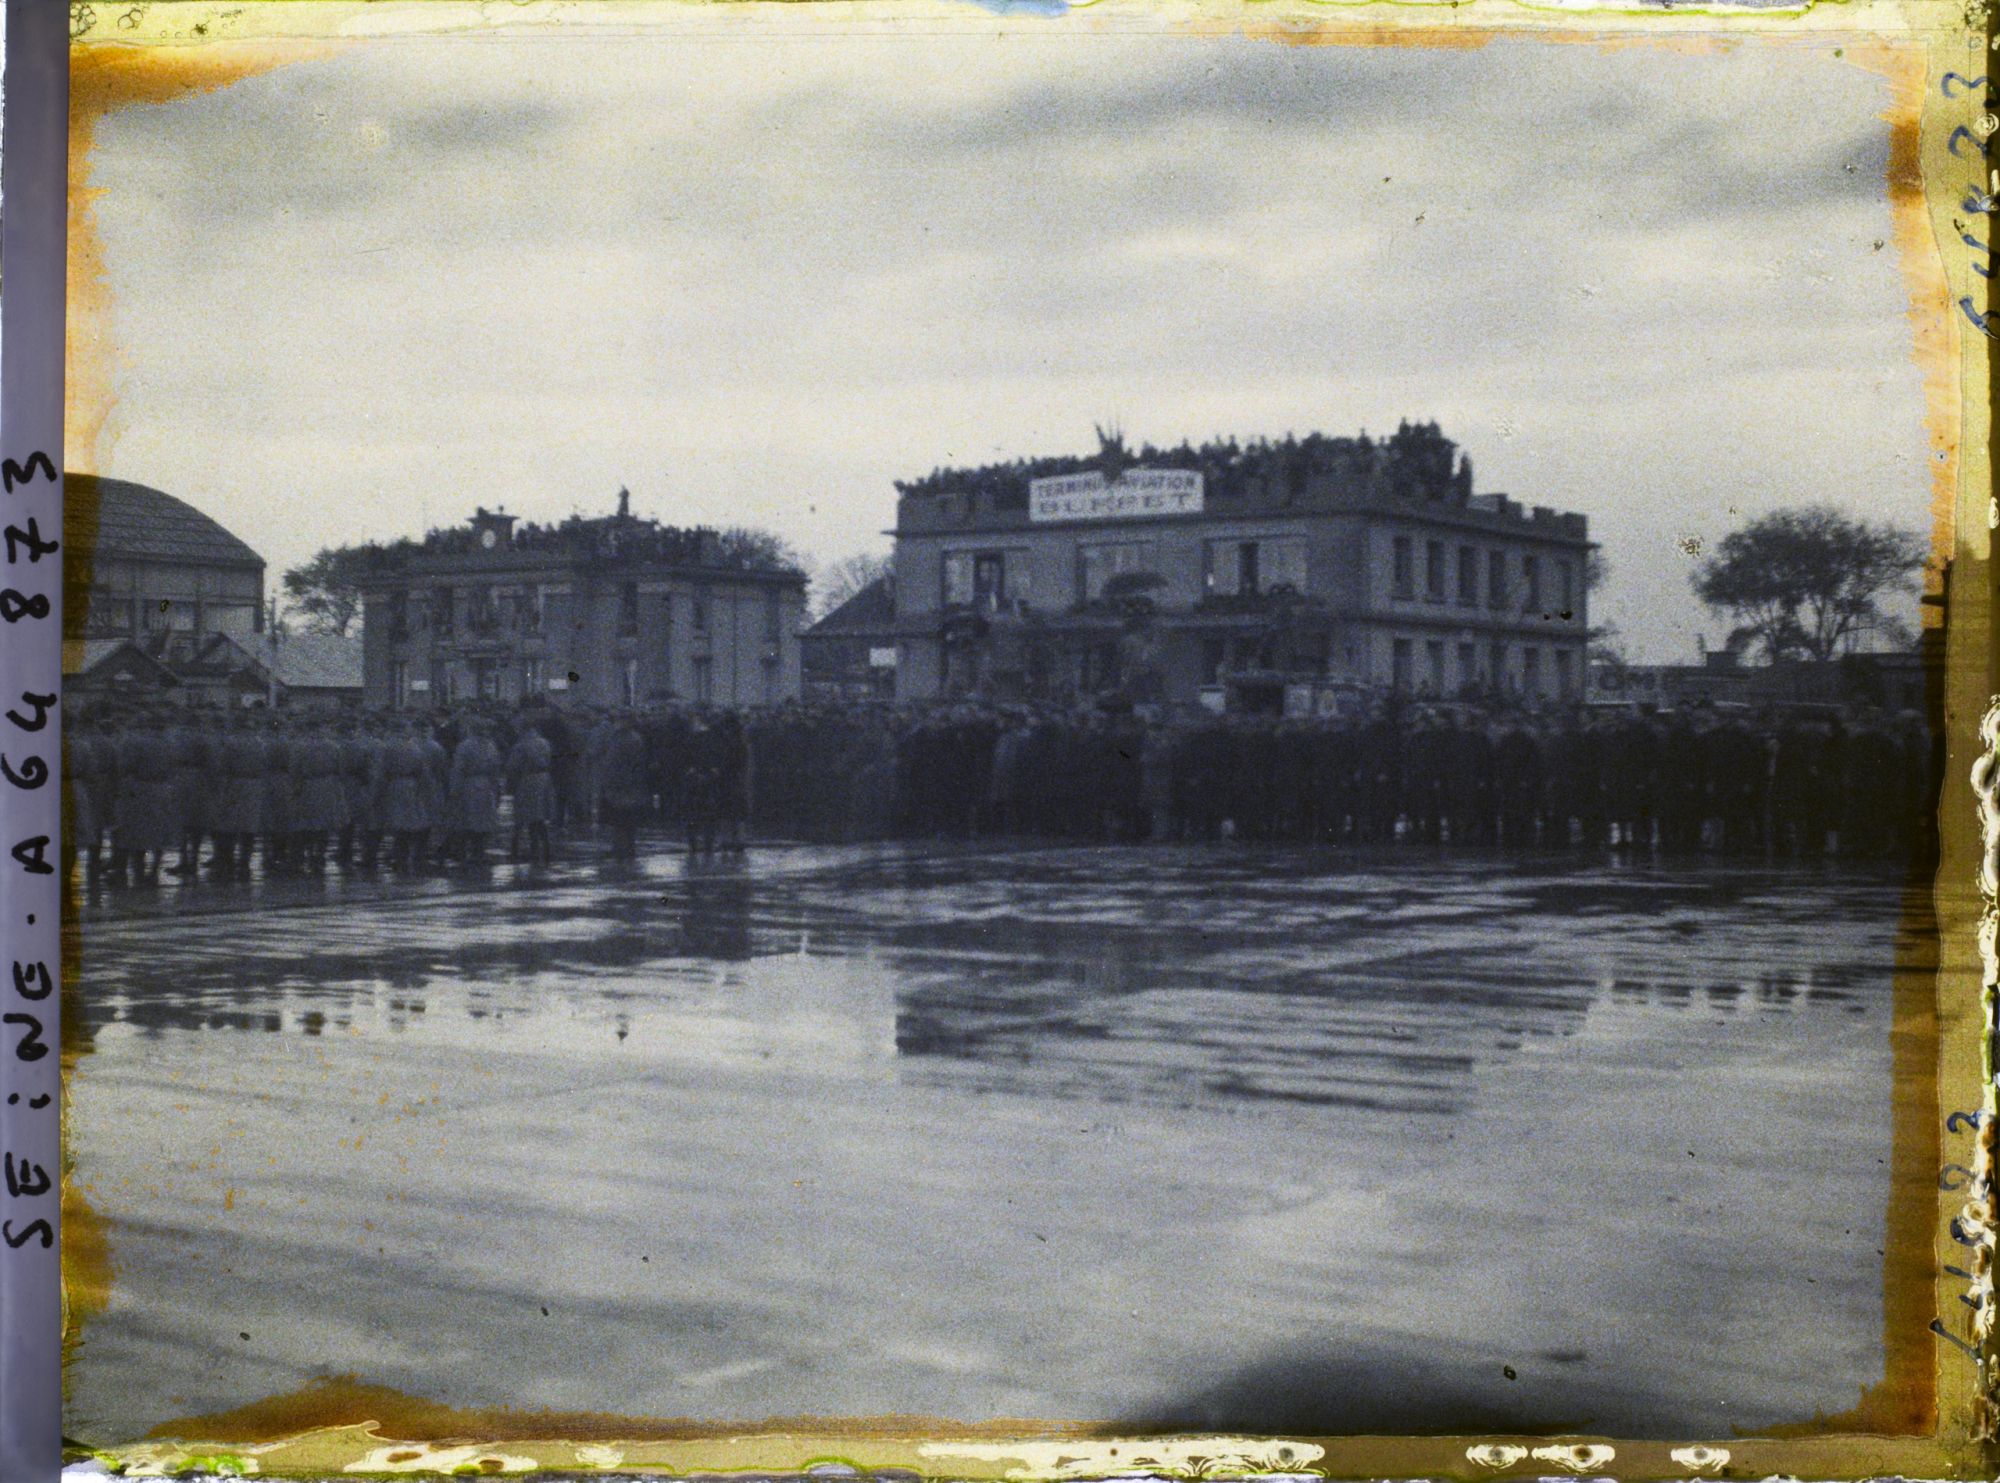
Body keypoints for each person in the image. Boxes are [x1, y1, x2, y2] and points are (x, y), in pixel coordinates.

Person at [506, 713, 556, 866]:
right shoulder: (544, 742)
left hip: (527, 780)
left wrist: (511, 785)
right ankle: (545, 849)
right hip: (544, 780)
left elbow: (513, 767)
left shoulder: (521, 745)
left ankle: (515, 850)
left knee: (521, 817)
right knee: (539, 817)